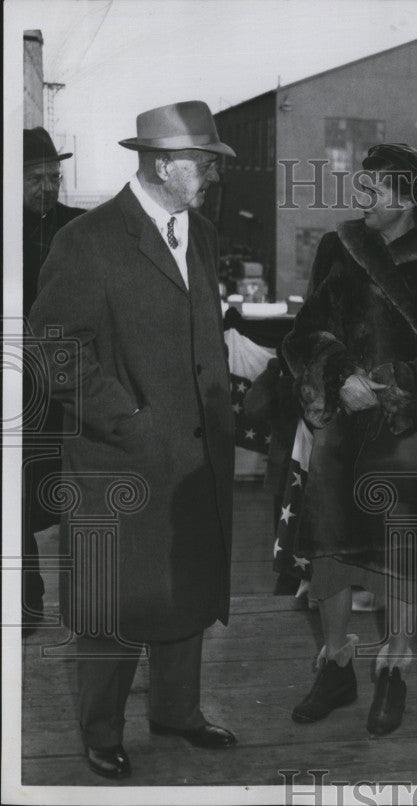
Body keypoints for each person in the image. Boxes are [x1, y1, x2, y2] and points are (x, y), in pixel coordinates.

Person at [29, 100, 238, 779]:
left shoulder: (200, 234)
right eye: (203, 162)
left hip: (194, 457)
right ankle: (100, 730)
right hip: (120, 459)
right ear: (163, 164)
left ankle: (177, 712)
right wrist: (130, 420)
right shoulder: (87, 239)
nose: (211, 173)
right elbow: (57, 350)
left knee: (186, 587)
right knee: (111, 607)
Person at [279, 143, 417, 736]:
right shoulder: (338, 247)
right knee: (331, 545)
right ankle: (336, 666)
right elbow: (305, 331)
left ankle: (394, 672)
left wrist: (399, 389)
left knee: (400, 550)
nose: (358, 197)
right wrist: (340, 375)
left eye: (372, 189)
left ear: (407, 198)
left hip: (410, 427)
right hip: (341, 422)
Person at [21, 127, 85, 635]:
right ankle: (25, 602)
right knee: (13, 498)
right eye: (36, 178)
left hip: (74, 388)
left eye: (54, 177)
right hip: (17, 392)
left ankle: (91, 605)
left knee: (82, 494)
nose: (48, 187)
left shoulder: (80, 229)